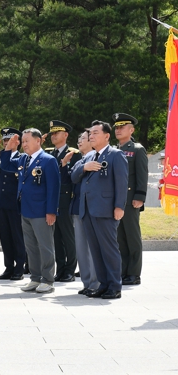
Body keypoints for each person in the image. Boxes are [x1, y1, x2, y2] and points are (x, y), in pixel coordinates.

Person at [71, 120, 128, 299]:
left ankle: (115, 286)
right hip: (87, 210)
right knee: (96, 251)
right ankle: (103, 285)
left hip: (105, 210)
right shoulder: (88, 157)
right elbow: (73, 177)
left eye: (95, 133)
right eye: (90, 133)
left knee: (109, 249)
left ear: (107, 136)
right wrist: (84, 167)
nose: (91, 136)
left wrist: (119, 206)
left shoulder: (115, 155)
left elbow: (121, 182)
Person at [0, 129, 60, 294]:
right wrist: (8, 148)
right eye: (23, 141)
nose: (24, 144)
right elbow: (5, 165)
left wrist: (51, 211)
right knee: (31, 246)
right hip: (25, 209)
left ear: (38, 141)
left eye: (27, 141)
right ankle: (35, 277)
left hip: (41, 211)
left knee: (45, 246)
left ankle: (48, 280)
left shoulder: (48, 160)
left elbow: (53, 188)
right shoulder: (23, 159)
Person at [112, 113, 148, 286]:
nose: (118, 130)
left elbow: (142, 174)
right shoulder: (113, 150)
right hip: (115, 201)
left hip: (130, 199)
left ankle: (134, 273)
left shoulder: (137, 149)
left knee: (132, 237)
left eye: (122, 127)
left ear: (131, 130)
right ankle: (123, 270)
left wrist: (140, 196)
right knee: (119, 238)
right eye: (116, 127)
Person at [0, 128, 25, 281]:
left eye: (10, 140)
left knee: (17, 236)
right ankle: (8, 267)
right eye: (5, 140)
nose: (6, 143)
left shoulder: (22, 158)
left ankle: (19, 267)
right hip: (1, 202)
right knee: (5, 237)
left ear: (18, 142)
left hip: (15, 203)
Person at [48, 120, 81, 283]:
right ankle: (60, 269)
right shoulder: (49, 154)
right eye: (52, 133)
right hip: (52, 201)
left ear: (66, 135)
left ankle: (70, 270)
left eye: (57, 133)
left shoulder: (74, 154)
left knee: (68, 237)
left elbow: (74, 177)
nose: (53, 136)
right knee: (56, 237)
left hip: (66, 200)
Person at [70, 130, 99, 295]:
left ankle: (95, 283)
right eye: (79, 139)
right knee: (81, 249)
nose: (79, 141)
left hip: (92, 208)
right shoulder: (81, 160)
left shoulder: (98, 157)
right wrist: (83, 167)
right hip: (78, 207)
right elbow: (73, 177)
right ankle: (87, 283)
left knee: (92, 248)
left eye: (83, 138)